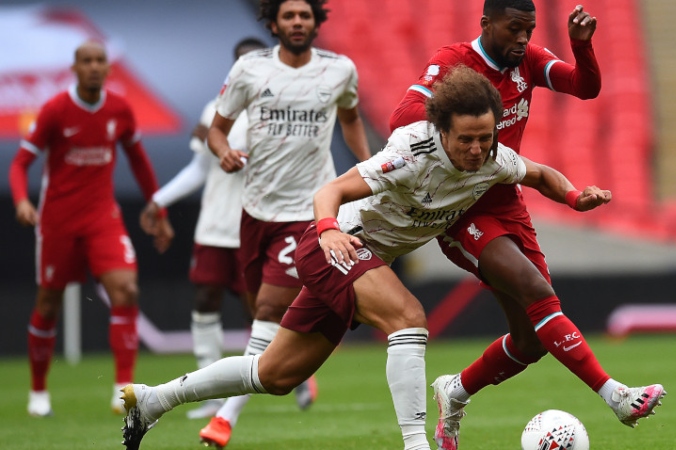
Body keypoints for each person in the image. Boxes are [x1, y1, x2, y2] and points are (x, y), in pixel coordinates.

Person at [119, 65, 611, 450]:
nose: (478, 149)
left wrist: (573, 197)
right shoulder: (409, 152)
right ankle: (418, 444)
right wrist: (330, 231)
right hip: (333, 246)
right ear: (440, 130)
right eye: (467, 139)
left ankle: (154, 400)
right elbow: (329, 192)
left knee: (273, 375)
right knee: (409, 318)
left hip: (362, 261)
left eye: (485, 137)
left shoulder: (492, 157)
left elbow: (540, 173)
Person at [389, 1, 665, 449]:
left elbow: (585, 87)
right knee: (538, 292)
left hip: (509, 202)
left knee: (531, 341)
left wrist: (582, 45)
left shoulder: (528, 61)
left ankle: (454, 390)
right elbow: (401, 118)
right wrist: (456, 129)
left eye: (529, 29)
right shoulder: (453, 62)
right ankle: (615, 395)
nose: (523, 38)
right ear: (487, 24)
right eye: (514, 29)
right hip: (462, 210)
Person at [197, 0, 372, 447]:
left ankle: (225, 419)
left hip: (309, 211)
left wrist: (370, 166)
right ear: (274, 23)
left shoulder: (339, 70)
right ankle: (296, 373)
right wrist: (222, 151)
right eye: (289, 16)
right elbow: (217, 129)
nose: (298, 22)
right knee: (260, 309)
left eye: (305, 15)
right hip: (255, 211)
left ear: (316, 23)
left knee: (269, 310)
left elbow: (351, 119)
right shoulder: (249, 70)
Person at [7, 40, 173, 417]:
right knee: (47, 304)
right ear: (75, 68)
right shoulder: (55, 110)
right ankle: (38, 391)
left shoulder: (119, 109)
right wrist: (20, 200)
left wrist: (158, 211)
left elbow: (140, 161)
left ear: (108, 68)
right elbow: (19, 163)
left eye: (101, 61)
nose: (95, 67)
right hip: (57, 222)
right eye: (87, 61)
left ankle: (123, 389)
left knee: (126, 288)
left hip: (102, 218)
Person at [138, 37, 267, 421]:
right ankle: (212, 396)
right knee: (205, 302)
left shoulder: (278, 113)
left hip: (256, 225)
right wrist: (159, 200)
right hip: (213, 225)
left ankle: (287, 376)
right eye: (239, 63)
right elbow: (199, 169)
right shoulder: (216, 109)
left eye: (253, 62)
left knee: (259, 311)